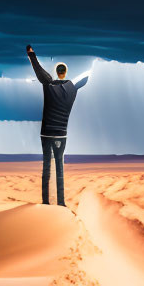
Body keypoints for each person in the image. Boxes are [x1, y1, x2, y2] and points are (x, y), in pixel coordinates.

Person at [26, 44, 86, 207]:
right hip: (61, 134)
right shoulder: (73, 90)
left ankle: (46, 201)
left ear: (56, 73)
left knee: (47, 167)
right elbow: (82, 82)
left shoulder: (49, 85)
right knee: (59, 167)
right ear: (65, 73)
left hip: (46, 134)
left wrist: (32, 55)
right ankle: (61, 202)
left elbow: (41, 73)